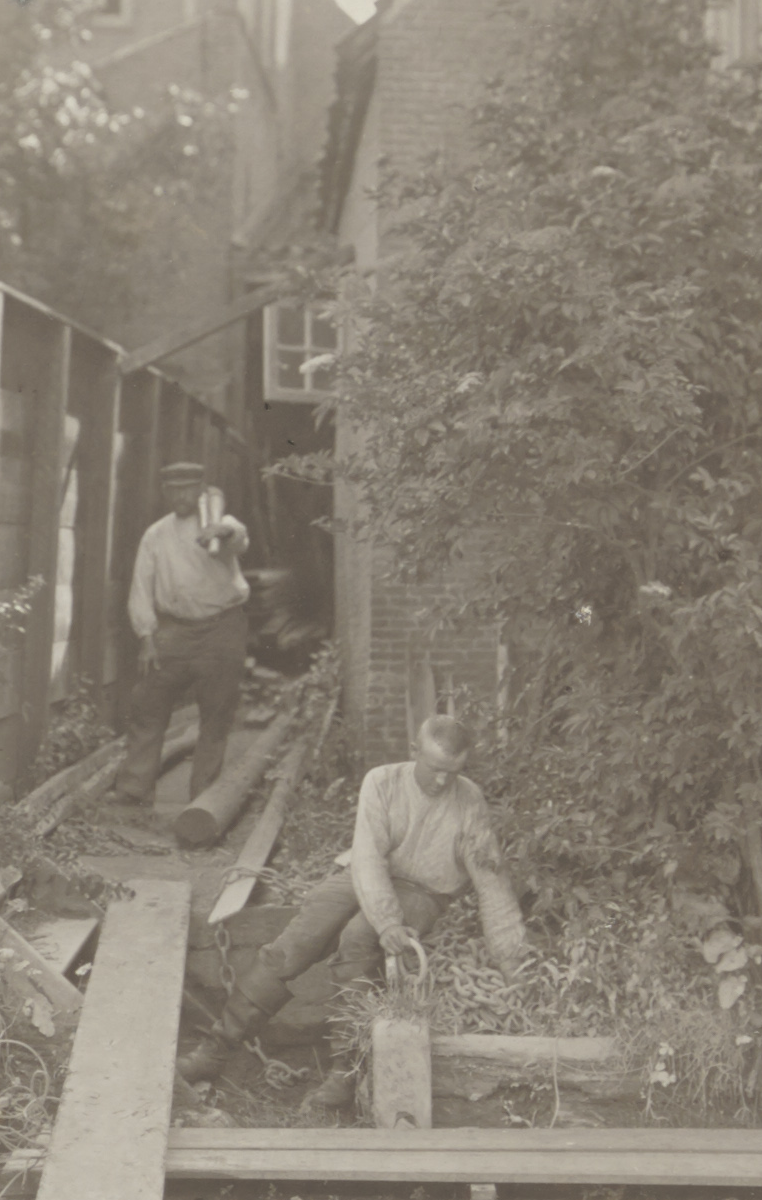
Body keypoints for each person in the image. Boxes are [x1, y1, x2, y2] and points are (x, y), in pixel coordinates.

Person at [177, 713, 528, 1111]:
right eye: (435, 769)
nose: (443, 781)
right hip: (366, 871)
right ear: (414, 751)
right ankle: (216, 1049)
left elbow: (492, 883)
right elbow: (369, 858)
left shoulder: (469, 802)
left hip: (424, 891)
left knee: (358, 939)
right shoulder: (383, 782)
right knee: (297, 940)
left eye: (453, 771)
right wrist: (388, 920)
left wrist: (514, 964)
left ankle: (344, 1071)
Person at [113, 462, 251, 807]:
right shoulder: (156, 535)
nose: (181, 496)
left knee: (217, 713)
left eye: (188, 489)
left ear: (200, 490)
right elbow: (141, 588)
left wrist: (220, 530)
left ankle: (203, 800)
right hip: (174, 630)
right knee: (148, 704)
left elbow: (239, 537)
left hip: (221, 628)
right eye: (174, 490)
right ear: (165, 493)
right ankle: (134, 791)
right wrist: (146, 638)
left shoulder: (218, 524)